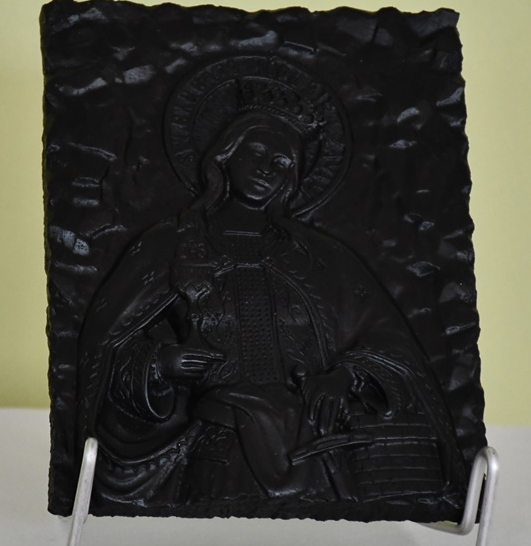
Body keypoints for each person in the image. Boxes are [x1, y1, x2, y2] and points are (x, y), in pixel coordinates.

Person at [78, 107, 464, 512]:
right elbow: (105, 345)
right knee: (219, 536)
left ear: (292, 178)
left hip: (316, 444)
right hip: (219, 443)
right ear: (226, 156)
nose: (267, 169)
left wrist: (344, 376)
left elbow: (389, 339)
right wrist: (160, 363)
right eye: (257, 153)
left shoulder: (320, 258)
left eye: (281, 163)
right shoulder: (173, 245)